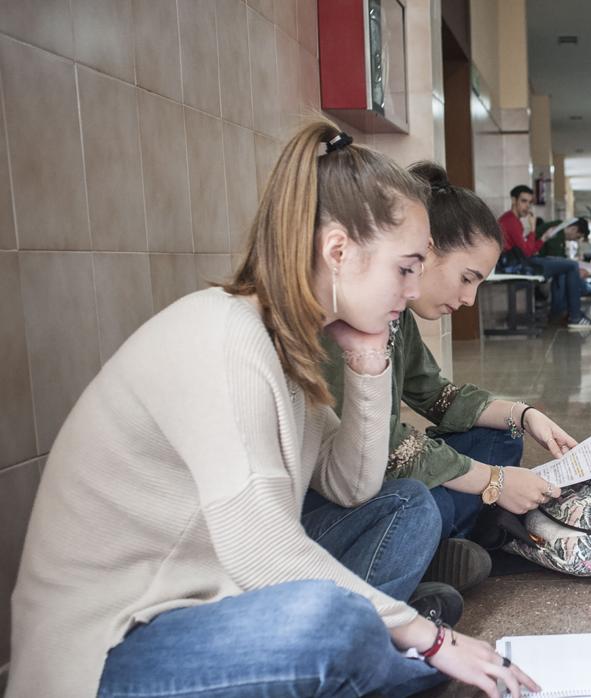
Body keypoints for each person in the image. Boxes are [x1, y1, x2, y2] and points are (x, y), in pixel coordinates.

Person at [7, 122, 539, 698]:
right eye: (405, 268)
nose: (412, 291)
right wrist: (429, 639)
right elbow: (260, 548)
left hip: (215, 598)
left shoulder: (285, 341)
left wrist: (367, 368)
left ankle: (375, 654)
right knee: (327, 620)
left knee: (405, 509)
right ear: (338, 251)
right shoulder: (223, 337)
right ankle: (396, 660)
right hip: (109, 651)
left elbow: (351, 485)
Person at [324, 162, 576, 598]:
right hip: (342, 492)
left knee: (501, 437)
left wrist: (523, 413)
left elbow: (435, 395)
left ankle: (430, 549)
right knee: (414, 505)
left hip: (370, 476)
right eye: (466, 279)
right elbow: (378, 450)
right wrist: (493, 482)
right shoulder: (346, 316)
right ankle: (421, 553)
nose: (467, 299)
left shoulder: (392, 314)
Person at [499, 184, 591, 329]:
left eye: (529, 202)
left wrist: (544, 238)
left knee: (565, 265)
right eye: (523, 201)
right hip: (517, 264)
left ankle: (561, 314)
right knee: (571, 265)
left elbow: (530, 249)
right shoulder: (510, 222)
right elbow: (527, 252)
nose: (527, 206)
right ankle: (575, 316)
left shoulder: (514, 221)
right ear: (514, 200)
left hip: (522, 261)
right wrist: (533, 230)